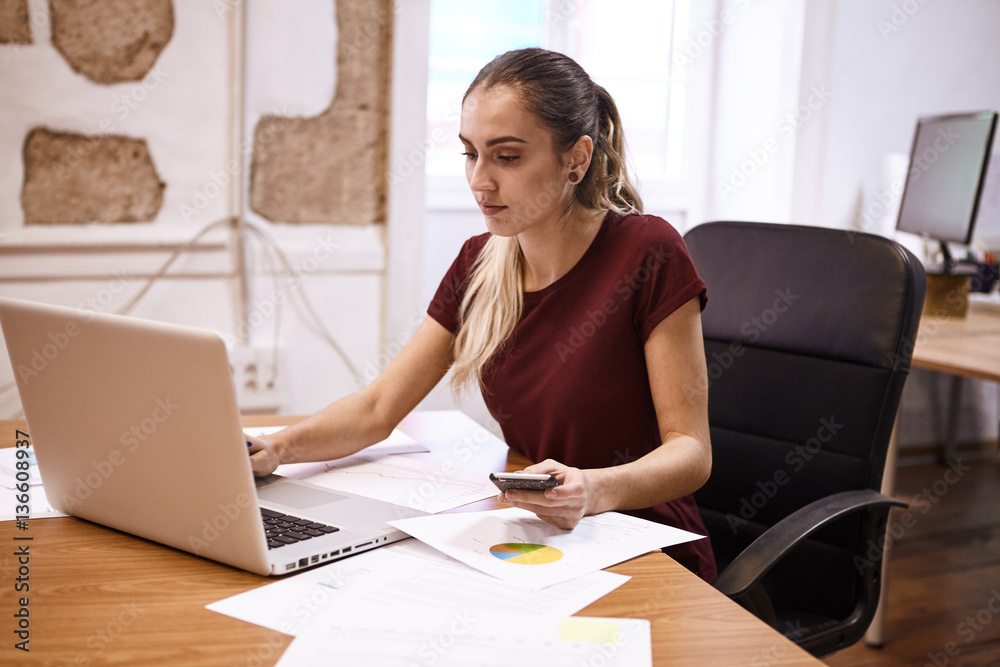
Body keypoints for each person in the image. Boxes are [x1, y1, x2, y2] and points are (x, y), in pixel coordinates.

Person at [248, 47, 716, 582]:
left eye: (507, 157)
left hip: (646, 548)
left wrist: (593, 488)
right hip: (544, 542)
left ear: (576, 160)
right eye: (470, 154)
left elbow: (692, 452)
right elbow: (379, 407)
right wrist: (275, 448)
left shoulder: (648, 251)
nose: (480, 181)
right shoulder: (479, 262)